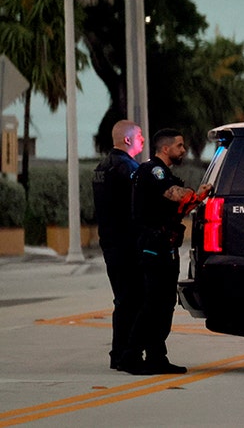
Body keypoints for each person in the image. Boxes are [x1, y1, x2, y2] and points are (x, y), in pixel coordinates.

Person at [123, 129, 211, 375]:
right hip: (153, 246)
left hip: (165, 245)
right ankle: (132, 355)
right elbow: (175, 195)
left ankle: (156, 356)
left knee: (164, 303)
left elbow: (179, 207)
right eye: (180, 146)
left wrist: (198, 197)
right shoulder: (154, 171)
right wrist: (198, 193)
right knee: (153, 302)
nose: (183, 150)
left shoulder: (163, 172)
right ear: (165, 148)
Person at [92, 120, 145, 372]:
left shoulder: (102, 167)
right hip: (128, 243)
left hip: (110, 242)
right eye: (139, 136)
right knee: (133, 299)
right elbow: (138, 206)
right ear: (127, 140)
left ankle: (119, 353)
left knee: (123, 299)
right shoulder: (127, 168)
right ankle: (127, 354)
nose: (142, 140)